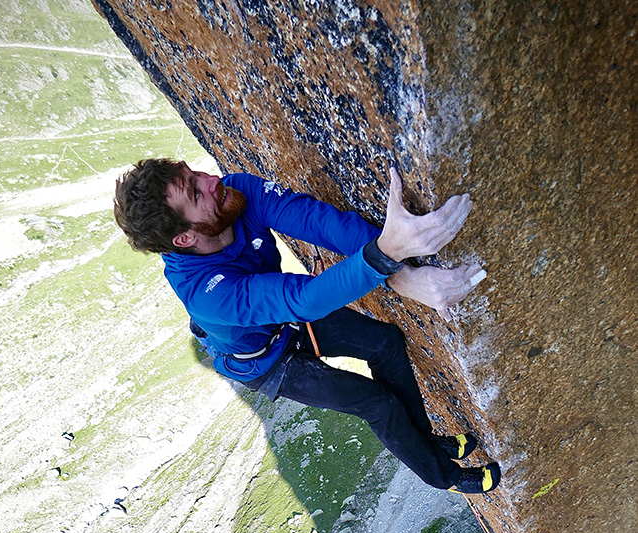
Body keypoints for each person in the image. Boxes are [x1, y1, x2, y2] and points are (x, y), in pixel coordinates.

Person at [113, 159, 501, 494]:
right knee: (377, 404)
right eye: (196, 193)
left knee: (386, 343)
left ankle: (427, 443)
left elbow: (321, 223)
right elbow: (306, 299)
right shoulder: (207, 294)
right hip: (267, 363)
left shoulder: (237, 193)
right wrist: (388, 254)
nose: (211, 180)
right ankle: (442, 475)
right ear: (184, 237)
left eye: (193, 173)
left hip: (286, 321)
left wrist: (401, 271)